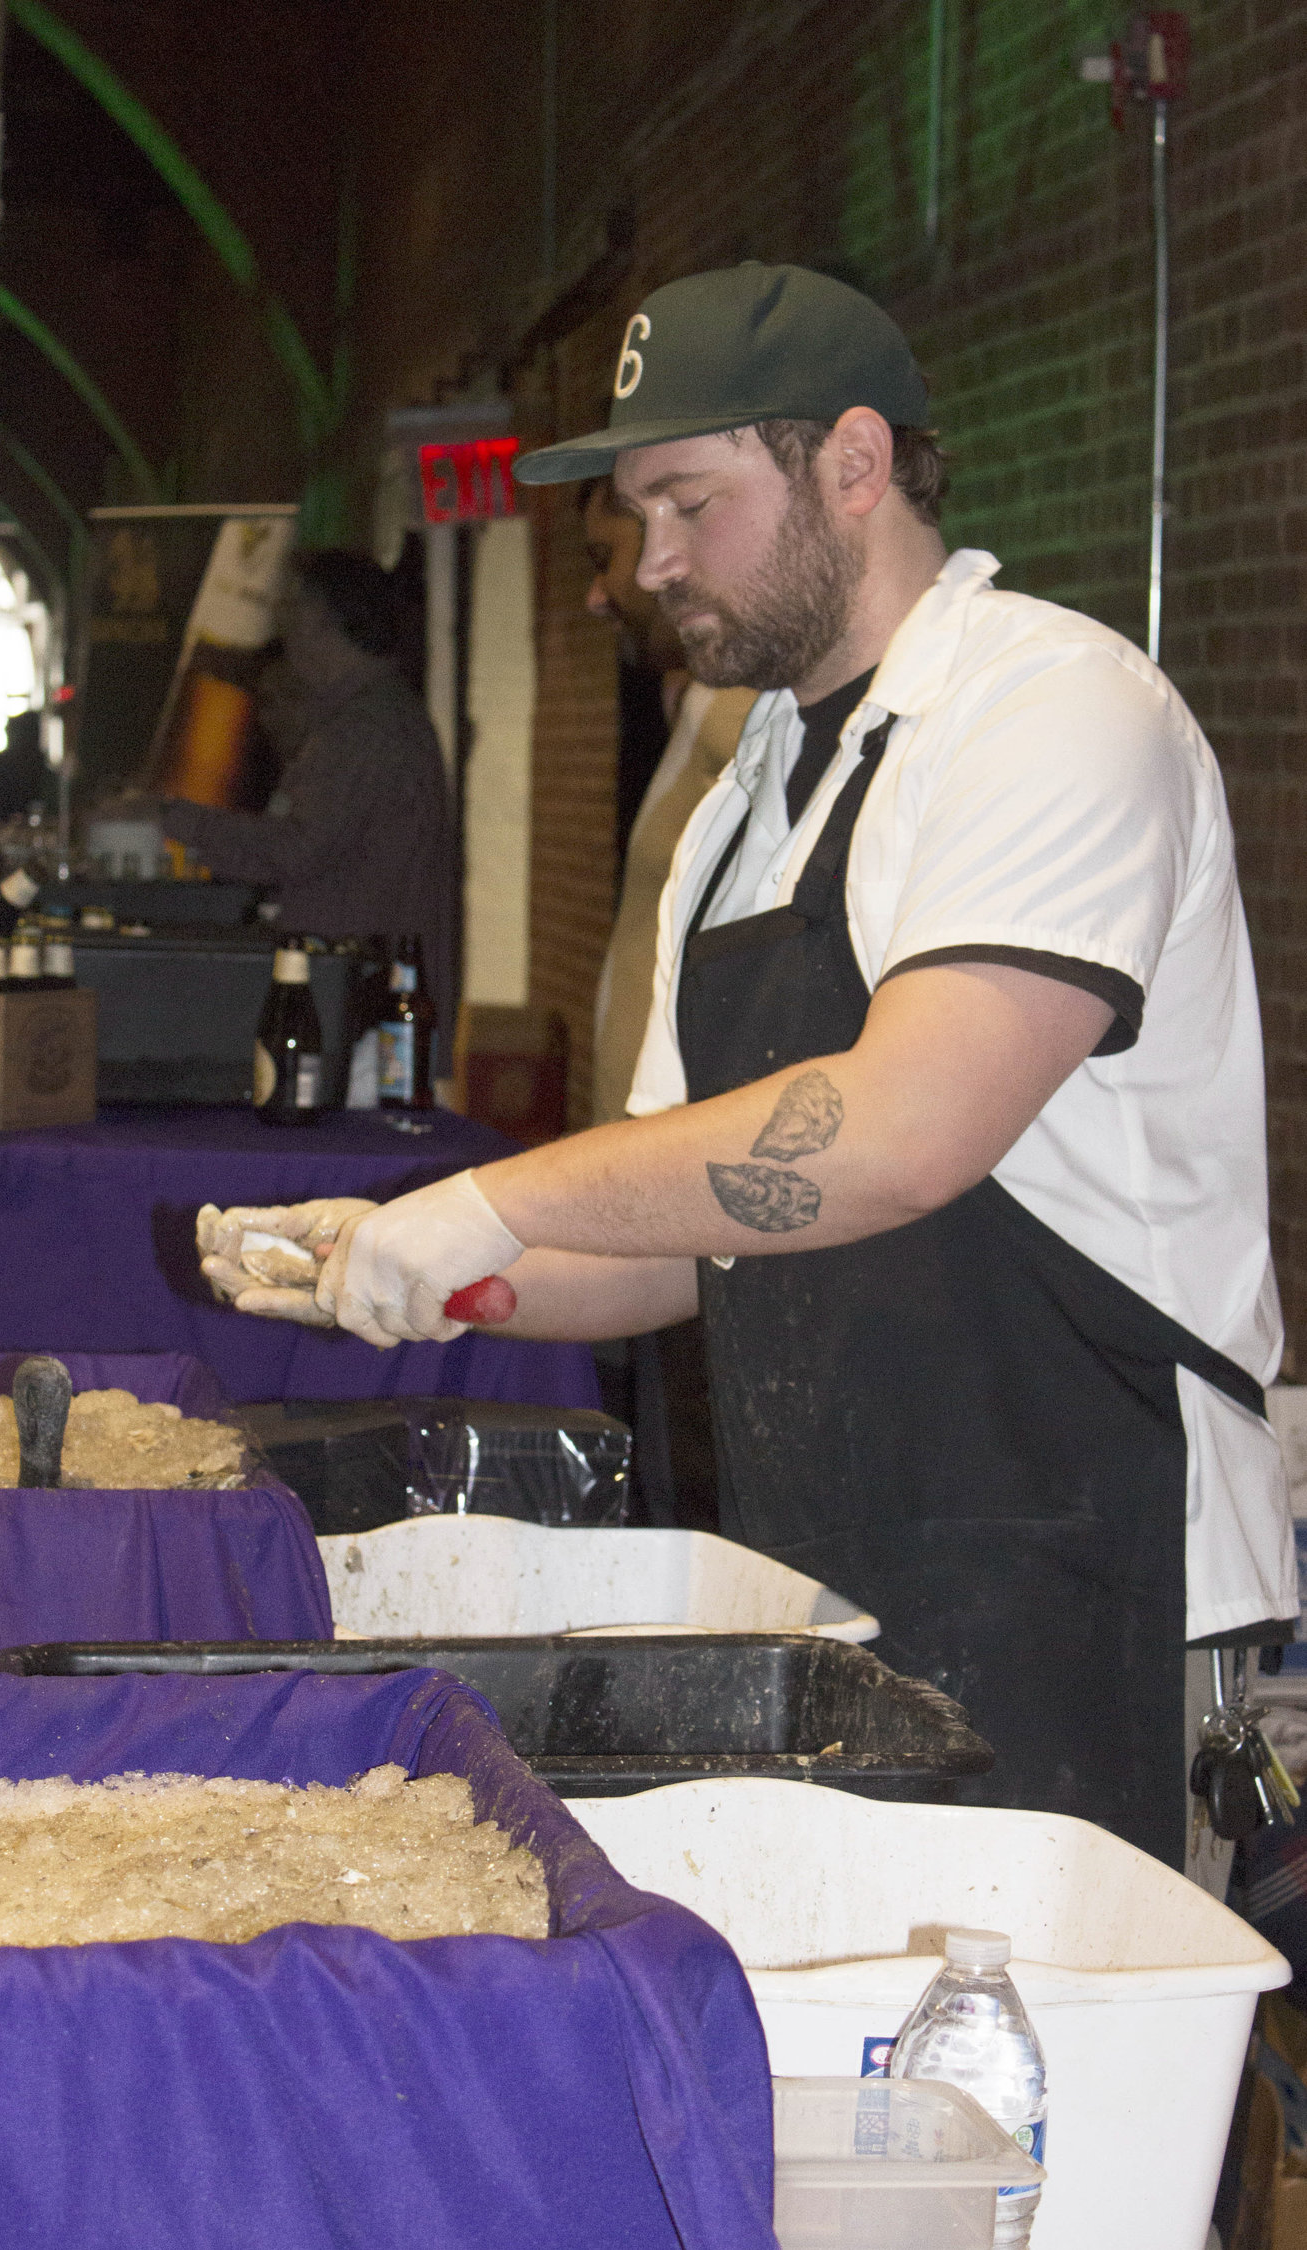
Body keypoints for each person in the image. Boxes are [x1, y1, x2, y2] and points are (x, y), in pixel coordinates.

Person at [198, 264, 1295, 1870]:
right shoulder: (746, 791)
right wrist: (413, 1262)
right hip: (834, 1574)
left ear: (854, 462)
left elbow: (900, 1134)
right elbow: (682, 1232)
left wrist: (490, 1197)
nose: (647, 566)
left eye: (687, 503)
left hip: (1091, 1571)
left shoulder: (1053, 711)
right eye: (638, 513)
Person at [156, 549, 456, 1045]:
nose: (287, 634)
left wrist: (175, 821)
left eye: (294, 613)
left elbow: (295, 847)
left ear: (323, 622)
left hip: (359, 1001)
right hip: (362, 989)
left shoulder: (366, 727)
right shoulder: (373, 715)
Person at [582, 474, 757, 1128]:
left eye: (605, 559)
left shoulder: (749, 708)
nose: (598, 598)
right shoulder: (711, 701)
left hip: (680, 1166)